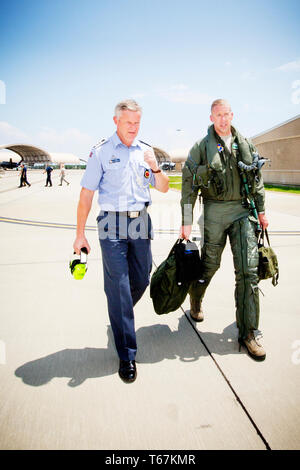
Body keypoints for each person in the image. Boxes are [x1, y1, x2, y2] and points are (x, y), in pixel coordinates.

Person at [73, 99, 169, 383]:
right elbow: (86, 194)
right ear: (116, 121)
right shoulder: (101, 152)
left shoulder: (146, 151)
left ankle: (118, 311)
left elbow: (163, 187)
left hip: (140, 220)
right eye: (129, 123)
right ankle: (127, 355)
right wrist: (80, 234)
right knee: (120, 287)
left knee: (140, 280)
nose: (134, 128)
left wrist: (156, 167)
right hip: (111, 224)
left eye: (137, 123)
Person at [180, 99, 269, 361]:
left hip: (242, 212)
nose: (222, 119)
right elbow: (188, 183)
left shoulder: (245, 144)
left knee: (248, 271)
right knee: (209, 265)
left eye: (226, 114)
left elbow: (256, 179)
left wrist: (261, 211)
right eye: (218, 115)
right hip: (215, 212)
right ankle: (195, 299)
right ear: (211, 117)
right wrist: (186, 219)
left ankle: (248, 332)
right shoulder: (201, 147)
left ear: (232, 115)